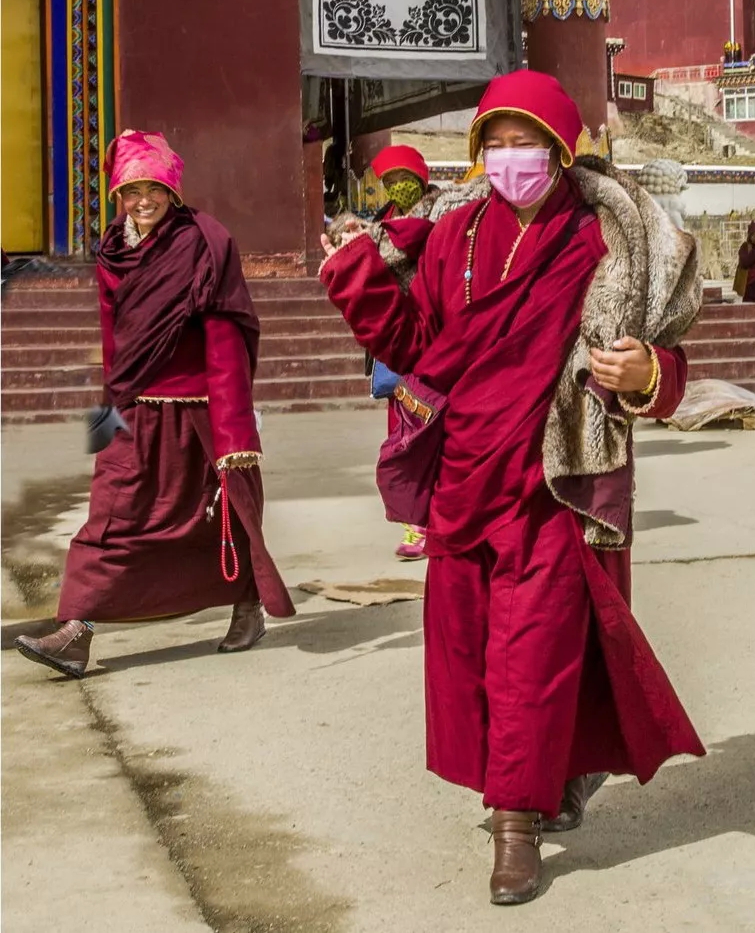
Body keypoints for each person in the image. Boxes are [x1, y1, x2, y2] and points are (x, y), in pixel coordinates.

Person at [320, 71, 705, 905]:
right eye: (492, 144)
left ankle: (516, 824)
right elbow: (420, 342)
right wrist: (358, 277)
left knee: (531, 655)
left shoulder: (612, 244)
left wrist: (647, 373)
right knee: (470, 658)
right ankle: (541, 776)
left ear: (561, 151)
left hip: (552, 484)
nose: (507, 159)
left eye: (524, 142)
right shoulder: (455, 237)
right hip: (465, 479)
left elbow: (665, 362)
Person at [14, 130, 294, 679]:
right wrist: (106, 412)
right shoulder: (113, 249)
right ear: (117, 194)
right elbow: (112, 335)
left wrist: (234, 427)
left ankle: (247, 606)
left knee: (218, 516)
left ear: (173, 190)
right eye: (131, 190)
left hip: (197, 411)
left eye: (154, 189)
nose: (143, 201)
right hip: (133, 407)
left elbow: (225, 339)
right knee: (110, 517)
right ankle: (76, 631)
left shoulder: (204, 242)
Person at [368, 144, 438, 561]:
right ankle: (416, 523)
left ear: (421, 177)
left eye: (405, 179)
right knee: (404, 440)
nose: (399, 188)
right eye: (390, 182)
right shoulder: (383, 222)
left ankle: (436, 520)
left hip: (432, 341)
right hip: (395, 346)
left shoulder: (443, 214)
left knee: (432, 435)